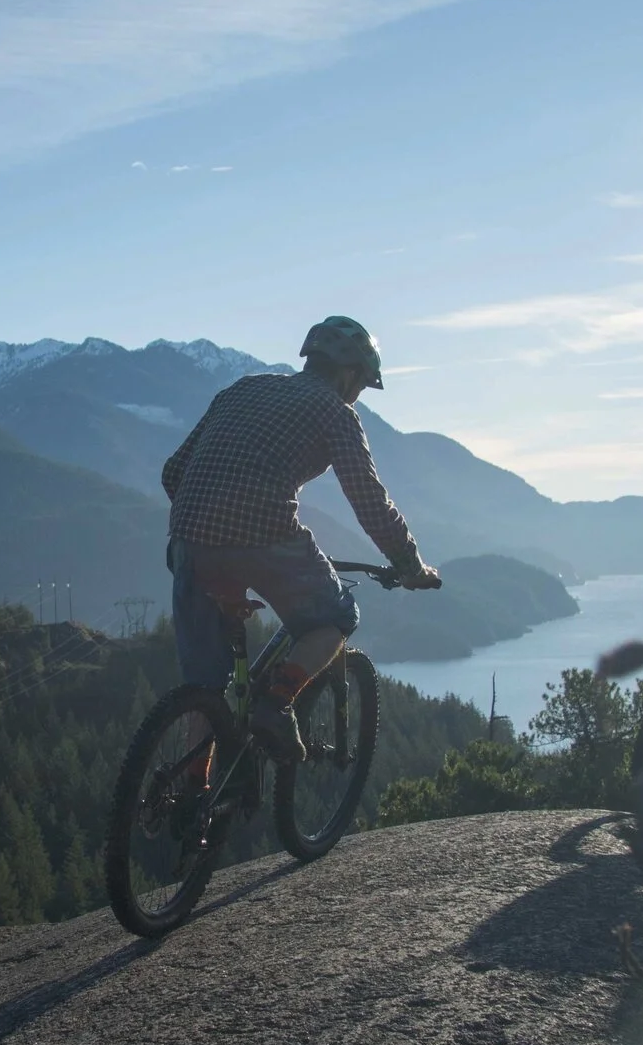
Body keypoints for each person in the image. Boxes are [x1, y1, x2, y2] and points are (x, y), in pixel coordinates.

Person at [161, 316, 439, 761]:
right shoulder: (335, 412)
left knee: (205, 689)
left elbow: (173, 472)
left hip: (187, 539)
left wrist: (207, 529)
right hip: (264, 533)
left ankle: (192, 794)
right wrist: (410, 564)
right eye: (363, 384)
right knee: (336, 617)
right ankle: (277, 703)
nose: (359, 394)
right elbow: (369, 500)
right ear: (350, 374)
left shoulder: (242, 389)